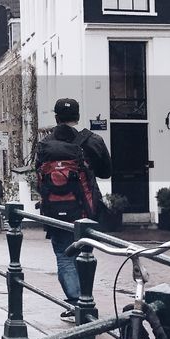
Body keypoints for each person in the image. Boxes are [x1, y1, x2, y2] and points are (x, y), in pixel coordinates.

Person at [36, 97, 112, 321]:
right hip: (84, 211)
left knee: (64, 255)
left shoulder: (45, 145)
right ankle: (85, 302)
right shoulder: (92, 140)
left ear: (57, 118)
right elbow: (106, 171)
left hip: (55, 211)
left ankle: (76, 303)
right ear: (77, 117)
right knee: (85, 254)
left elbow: (39, 176)